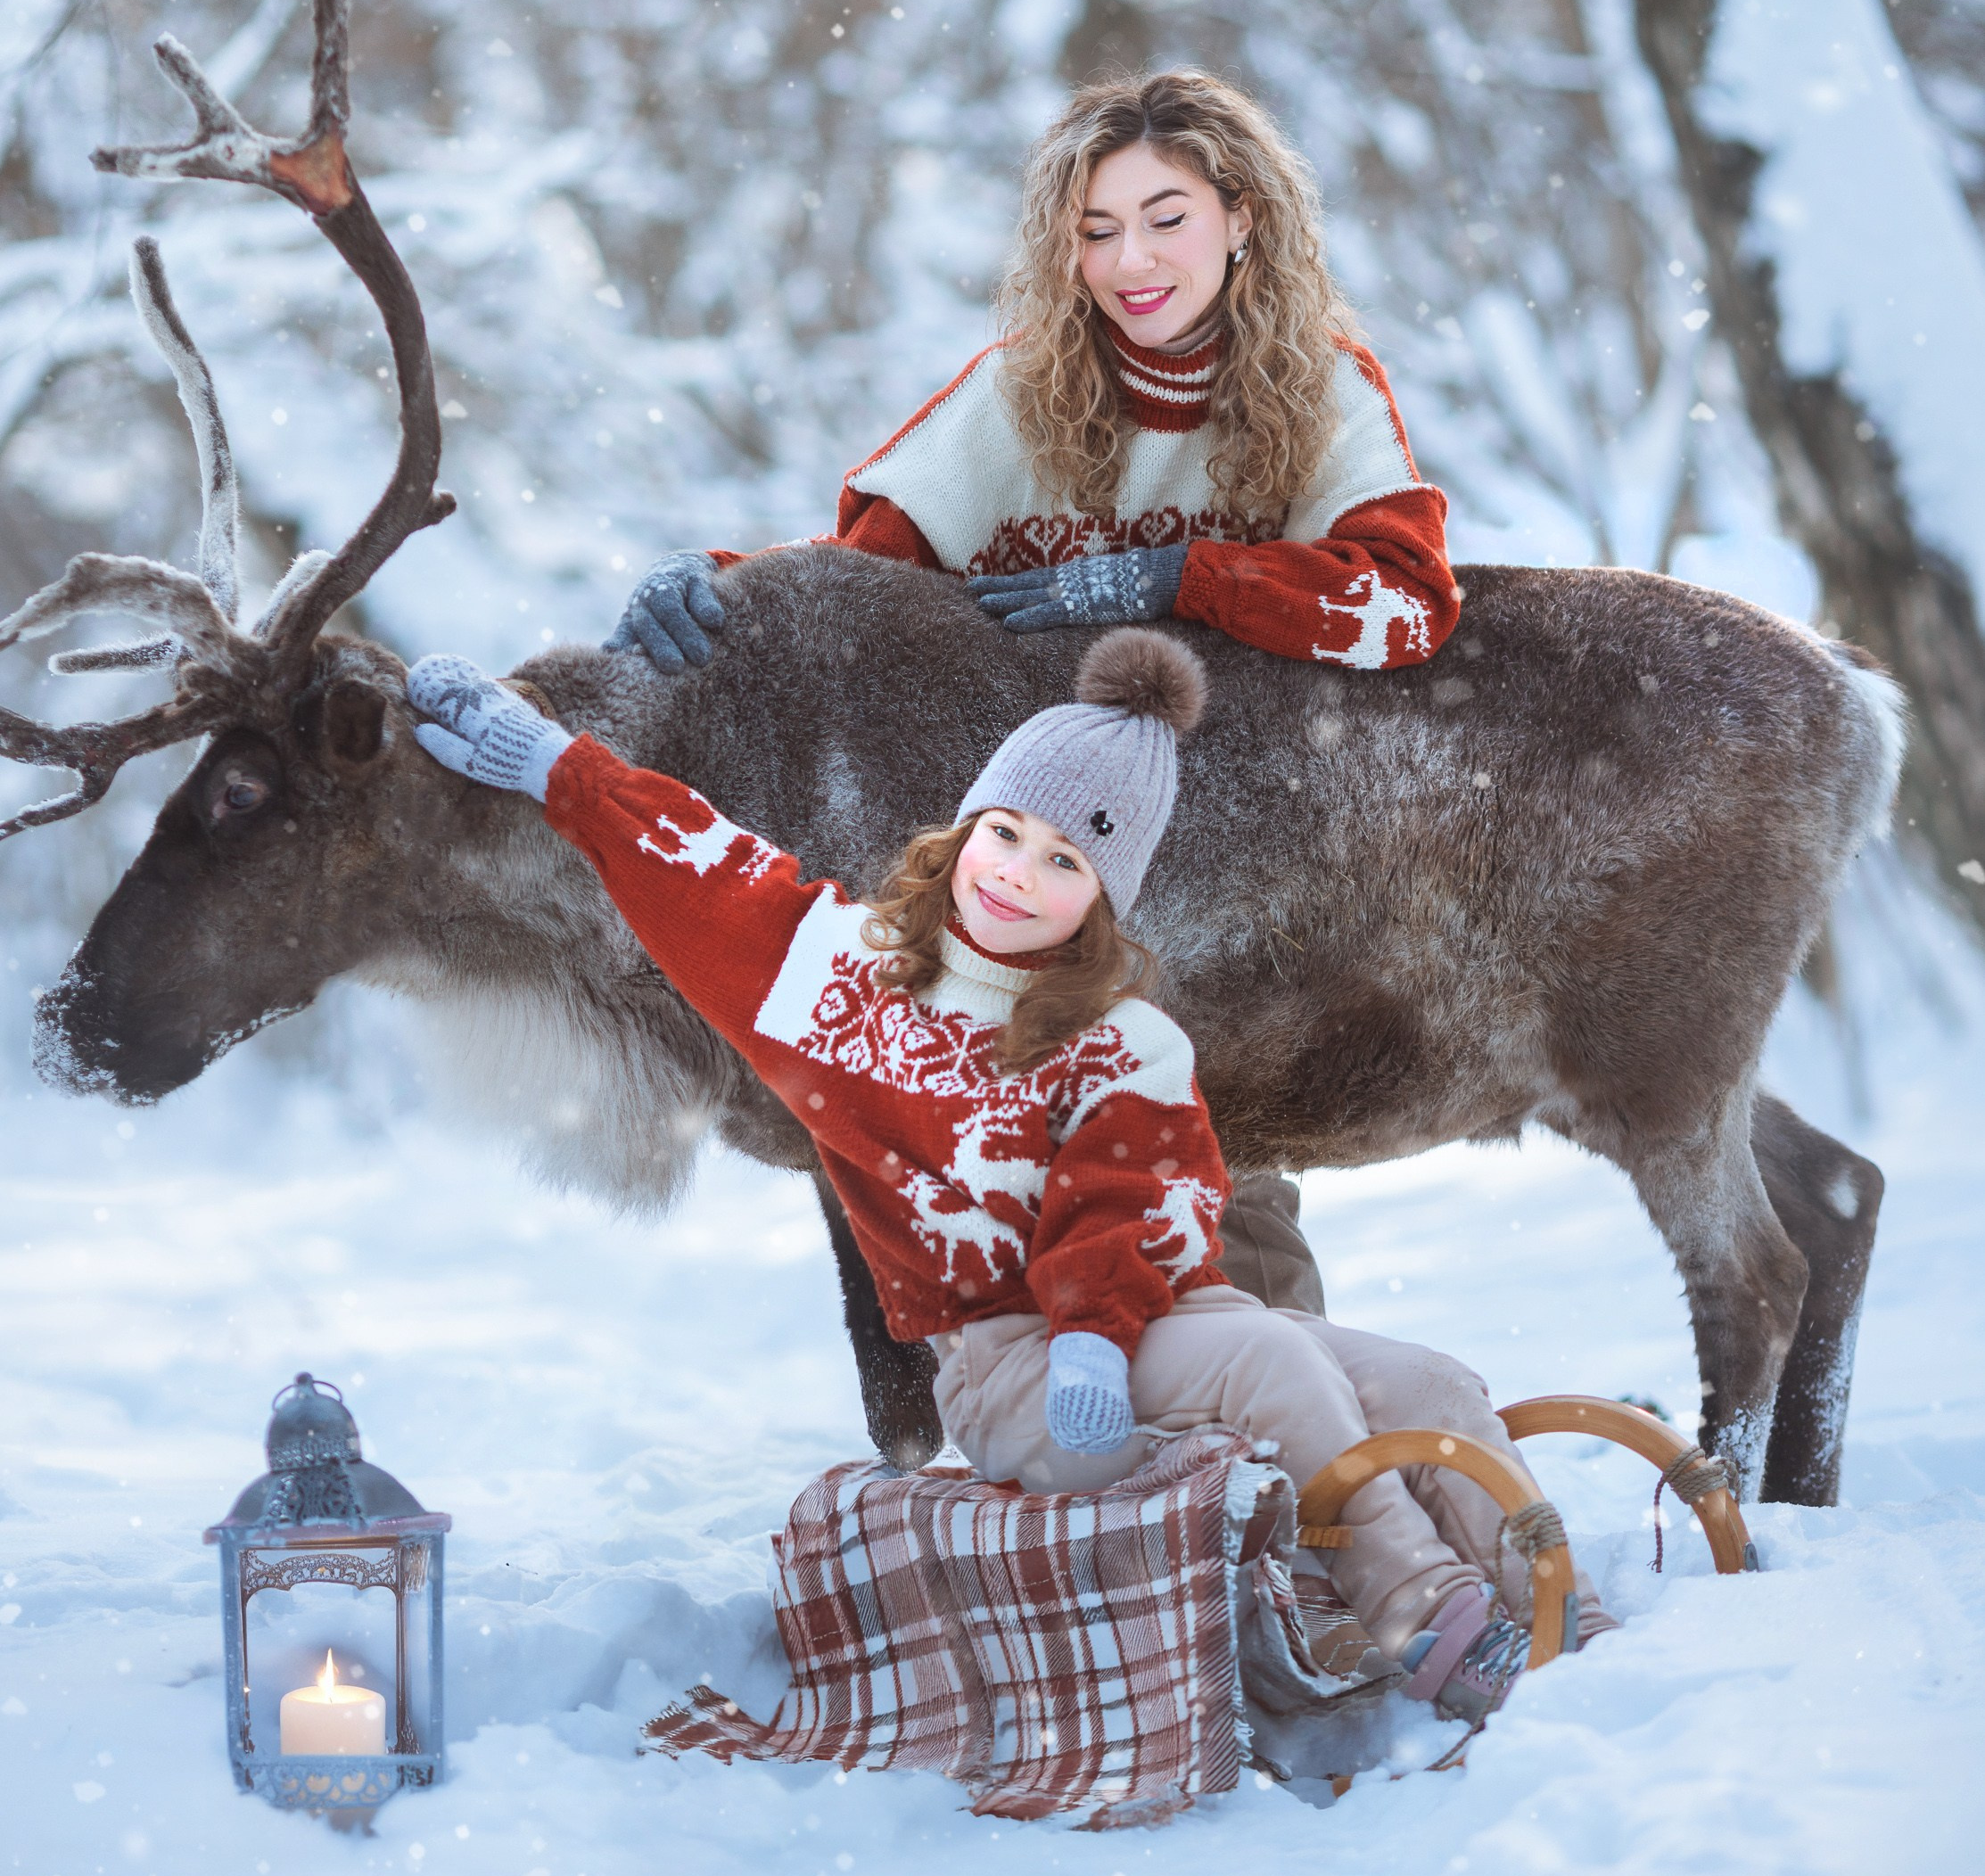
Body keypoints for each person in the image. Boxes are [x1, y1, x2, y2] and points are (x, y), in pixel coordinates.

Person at [406, 626, 1603, 1728]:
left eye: (1065, 861)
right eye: (1005, 835)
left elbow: (1132, 1197)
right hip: (1013, 1371)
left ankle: (1559, 1605)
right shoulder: (843, 991)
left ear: (1100, 899)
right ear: (966, 828)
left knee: (1433, 1379)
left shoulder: (1118, 1039)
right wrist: (557, 766)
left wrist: (1103, 1323)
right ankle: (1424, 1615)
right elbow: (705, 871)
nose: (1018, 875)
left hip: (1144, 1332)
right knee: (1276, 1357)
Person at [604, 71, 1460, 1320]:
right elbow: (858, 574)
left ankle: (1269, 1453)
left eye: (1165, 217)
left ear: (1242, 218)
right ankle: (1046, 1449)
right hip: (1022, 852)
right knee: (989, 1156)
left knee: (1209, 1170)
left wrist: (1182, 574)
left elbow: (1402, 602)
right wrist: (717, 581)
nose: (1131, 260)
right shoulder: (1019, 392)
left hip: (1231, 846)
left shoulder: (1320, 389)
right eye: (1096, 229)